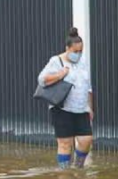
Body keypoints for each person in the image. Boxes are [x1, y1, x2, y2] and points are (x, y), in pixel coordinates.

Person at [38, 27, 94, 168]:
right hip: (62, 108)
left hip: (81, 109)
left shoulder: (83, 62)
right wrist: (60, 75)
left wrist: (90, 107)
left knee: (86, 140)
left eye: (81, 51)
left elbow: (88, 87)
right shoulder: (56, 61)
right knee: (65, 143)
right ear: (67, 48)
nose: (78, 54)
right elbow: (42, 80)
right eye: (75, 51)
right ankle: (65, 175)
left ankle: (78, 167)